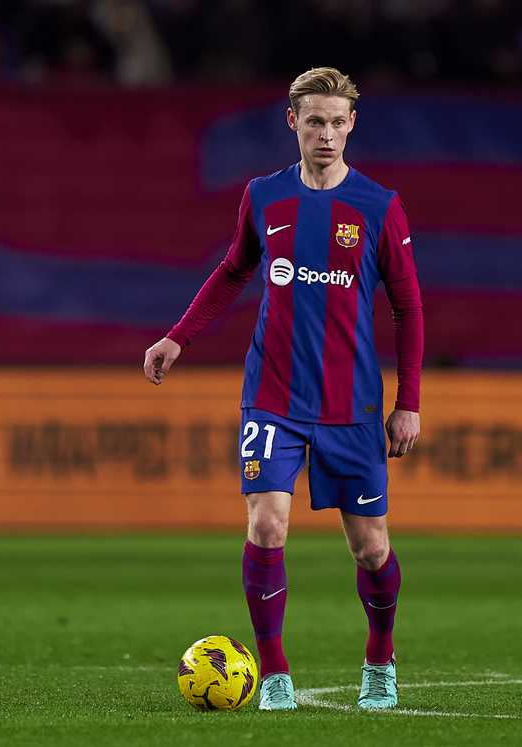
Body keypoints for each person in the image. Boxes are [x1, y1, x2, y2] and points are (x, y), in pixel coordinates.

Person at [142, 67, 423, 711]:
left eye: (338, 121)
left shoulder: (379, 206)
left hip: (351, 406)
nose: (326, 133)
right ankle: (273, 674)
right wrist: (178, 336)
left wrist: (408, 402)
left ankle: (379, 658)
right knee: (266, 525)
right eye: (314, 120)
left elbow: (409, 307)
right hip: (272, 395)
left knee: (370, 546)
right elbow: (232, 269)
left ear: (353, 125)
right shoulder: (263, 197)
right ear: (292, 122)